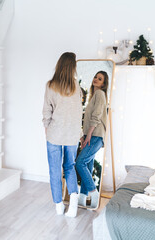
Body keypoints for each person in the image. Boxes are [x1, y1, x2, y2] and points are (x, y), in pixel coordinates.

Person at [42, 52, 82, 218]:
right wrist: (78, 132)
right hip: (72, 135)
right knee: (69, 167)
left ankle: (59, 205)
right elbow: (79, 112)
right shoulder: (76, 87)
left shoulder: (51, 85)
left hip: (55, 134)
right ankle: (72, 206)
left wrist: (47, 128)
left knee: (54, 170)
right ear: (72, 67)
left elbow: (46, 111)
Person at [75, 71, 108, 208]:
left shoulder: (100, 94)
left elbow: (97, 116)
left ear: (103, 83)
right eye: (95, 77)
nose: (96, 80)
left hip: (95, 135)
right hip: (91, 135)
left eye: (99, 79)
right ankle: (82, 198)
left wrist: (88, 135)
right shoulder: (93, 96)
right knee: (87, 165)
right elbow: (87, 119)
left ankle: (94, 192)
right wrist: (83, 135)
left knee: (80, 163)